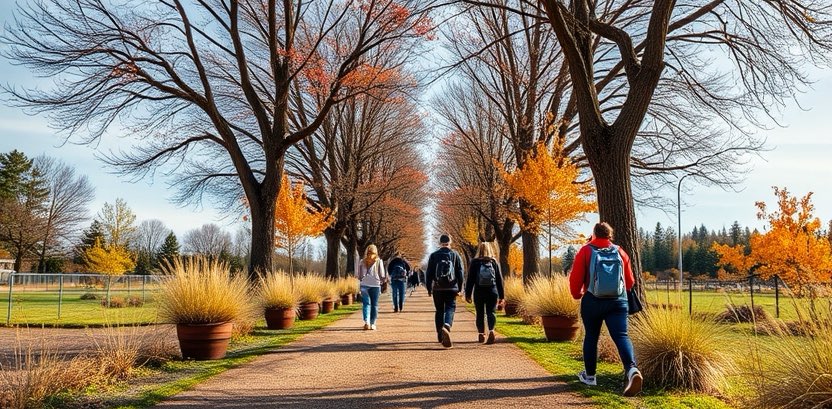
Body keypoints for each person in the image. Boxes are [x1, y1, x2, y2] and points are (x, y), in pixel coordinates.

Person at [569, 222, 643, 396]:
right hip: (618, 302)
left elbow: (575, 280)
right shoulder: (620, 251)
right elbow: (630, 282)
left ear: (594, 234)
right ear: (610, 235)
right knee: (621, 336)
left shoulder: (585, 251)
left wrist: (577, 294)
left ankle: (590, 376)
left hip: (592, 301)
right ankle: (631, 370)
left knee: (591, 336)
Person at [425, 234, 465, 348]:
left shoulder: (433, 255)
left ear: (440, 242)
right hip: (451, 288)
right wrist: (460, 288)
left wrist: (429, 288)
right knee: (450, 308)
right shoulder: (455, 255)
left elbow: (429, 273)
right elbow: (460, 272)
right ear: (450, 242)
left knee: (439, 310)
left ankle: (439, 334)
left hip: (437, 288)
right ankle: (447, 326)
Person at [465, 242, 504, 344]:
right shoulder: (494, 262)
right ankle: (491, 330)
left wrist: (468, 294)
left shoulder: (475, 262)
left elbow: (470, 280)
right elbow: (499, 280)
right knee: (491, 312)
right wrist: (502, 297)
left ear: (479, 250)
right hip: (492, 291)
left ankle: (481, 334)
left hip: (479, 291)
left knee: (480, 313)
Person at [355, 244, 387, 330]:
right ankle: (373, 323)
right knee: (374, 305)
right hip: (375, 285)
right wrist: (382, 281)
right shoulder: (379, 261)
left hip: (364, 284)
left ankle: (367, 322)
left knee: (366, 304)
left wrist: (362, 279)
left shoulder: (362, 261)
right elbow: (382, 275)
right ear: (376, 251)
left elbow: (358, 275)